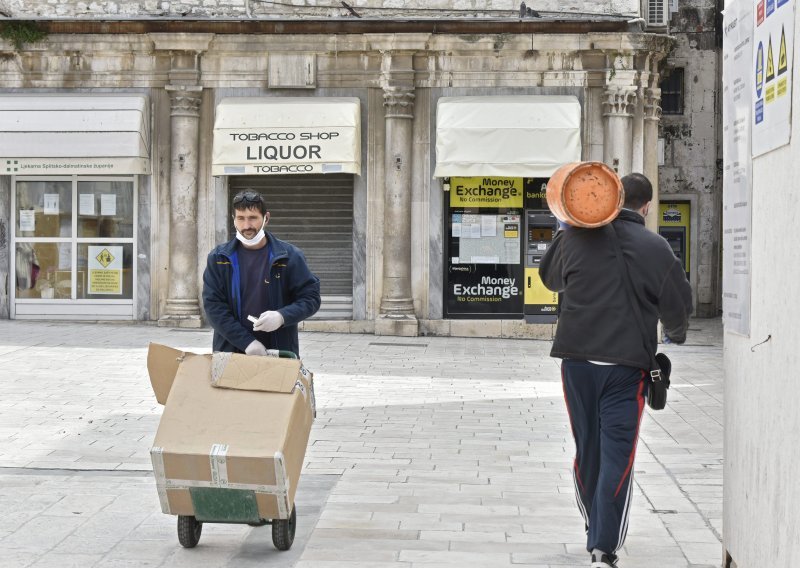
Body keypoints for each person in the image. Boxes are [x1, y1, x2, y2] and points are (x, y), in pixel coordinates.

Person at [539, 172, 692, 568]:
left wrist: (568, 228)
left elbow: (549, 279)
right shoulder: (657, 247)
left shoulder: (572, 237)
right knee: (617, 456)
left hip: (577, 364)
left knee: (587, 447)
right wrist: (675, 335)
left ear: (612, 194)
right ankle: (603, 545)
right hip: (626, 370)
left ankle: (595, 523)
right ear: (645, 206)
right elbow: (678, 309)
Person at [202, 190, 321, 357]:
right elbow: (214, 307)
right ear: (233, 219)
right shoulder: (218, 258)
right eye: (240, 218)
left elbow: (311, 299)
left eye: (253, 218)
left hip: (279, 349)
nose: (246, 226)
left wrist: (282, 316)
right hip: (231, 351)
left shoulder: (290, 256)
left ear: (266, 218)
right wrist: (247, 342)